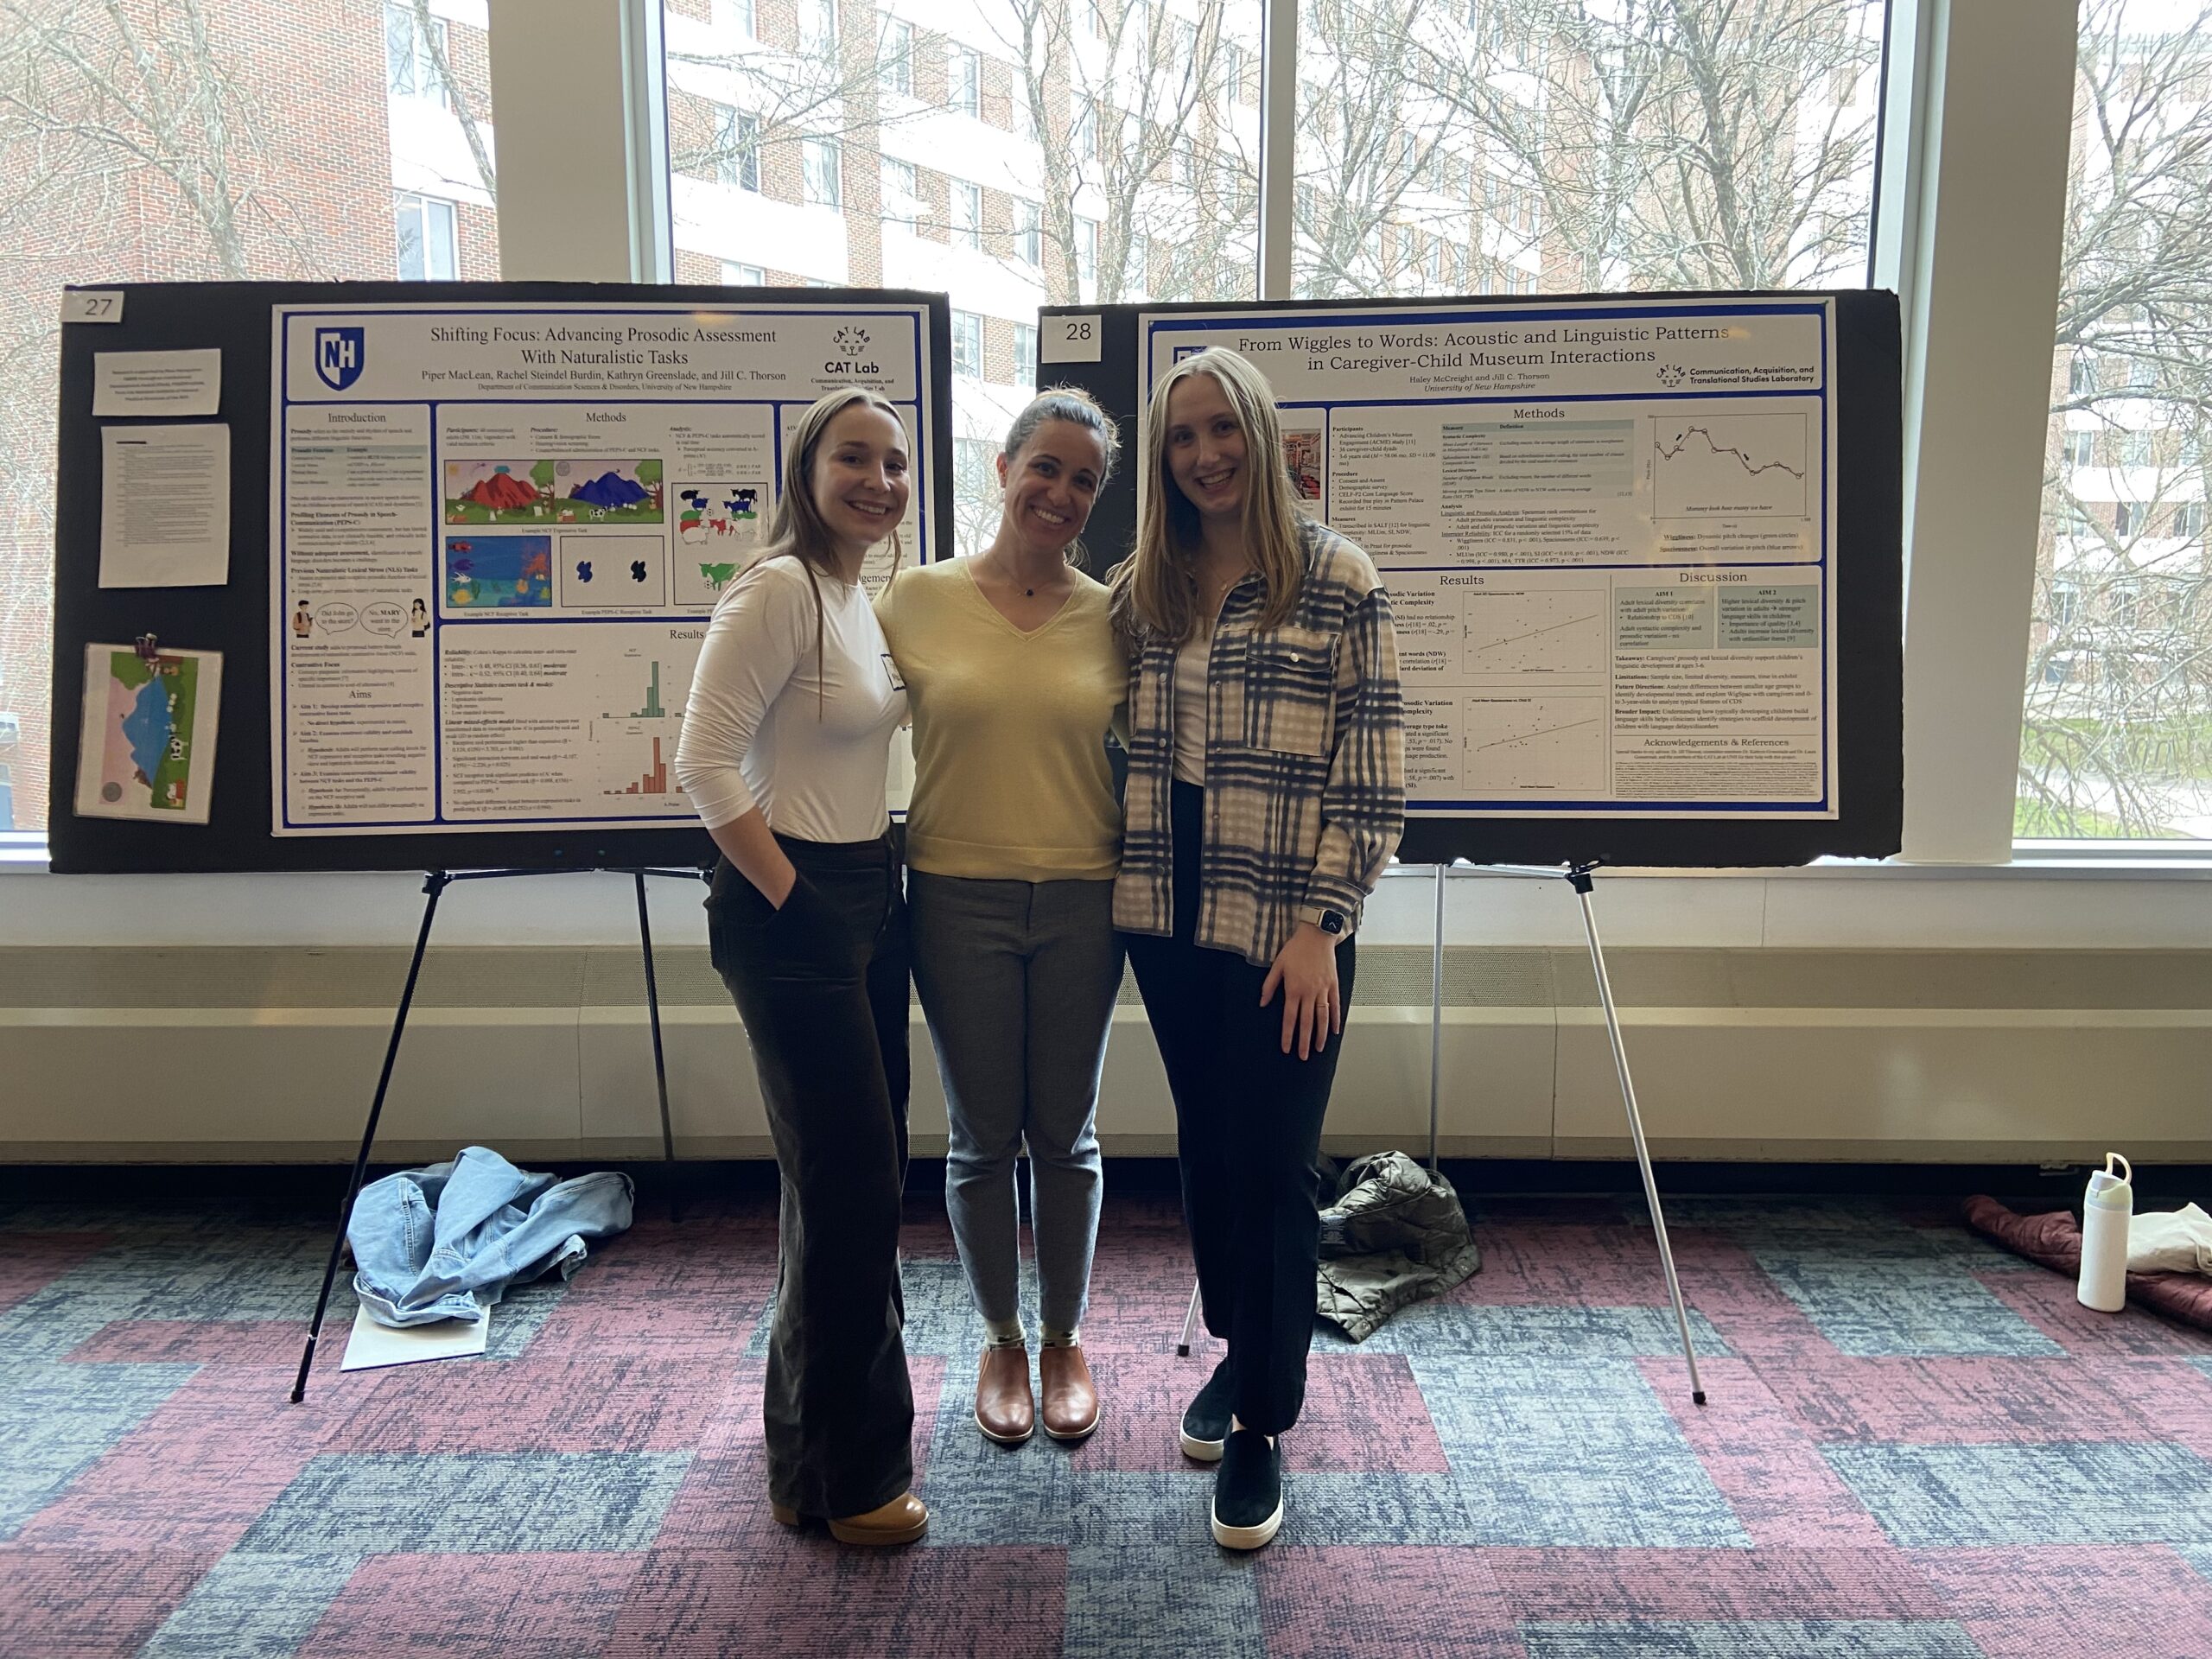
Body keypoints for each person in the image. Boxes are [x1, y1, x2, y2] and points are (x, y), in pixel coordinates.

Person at [1109, 347, 1404, 1551]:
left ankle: (1262, 1424)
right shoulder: (1143, 588)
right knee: (1210, 1148)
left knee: (1277, 1162)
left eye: (1223, 428)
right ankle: (1242, 1348)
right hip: (1167, 907)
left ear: (1263, 435)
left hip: (1289, 921)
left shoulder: (1337, 579)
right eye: (1182, 436)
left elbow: (1372, 779)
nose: (1205, 454)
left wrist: (1323, 925)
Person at [671, 387, 925, 1548]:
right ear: (807, 473)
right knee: (853, 1184)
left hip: (869, 890)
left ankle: (803, 1445)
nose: (879, 481)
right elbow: (703, 764)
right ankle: (847, 1481)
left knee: (841, 1179)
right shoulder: (776, 589)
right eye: (853, 458)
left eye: (896, 463)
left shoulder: (856, 597)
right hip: (793, 906)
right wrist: (796, 899)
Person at [875, 388, 1126, 1449]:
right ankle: (1000, 1340)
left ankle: (1063, 1337)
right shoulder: (914, 599)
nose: (1061, 493)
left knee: (1063, 1135)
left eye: (1084, 480)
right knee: (981, 1138)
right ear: (1004, 469)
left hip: (1084, 899)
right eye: (1046, 468)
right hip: (954, 895)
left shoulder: (1115, 614)